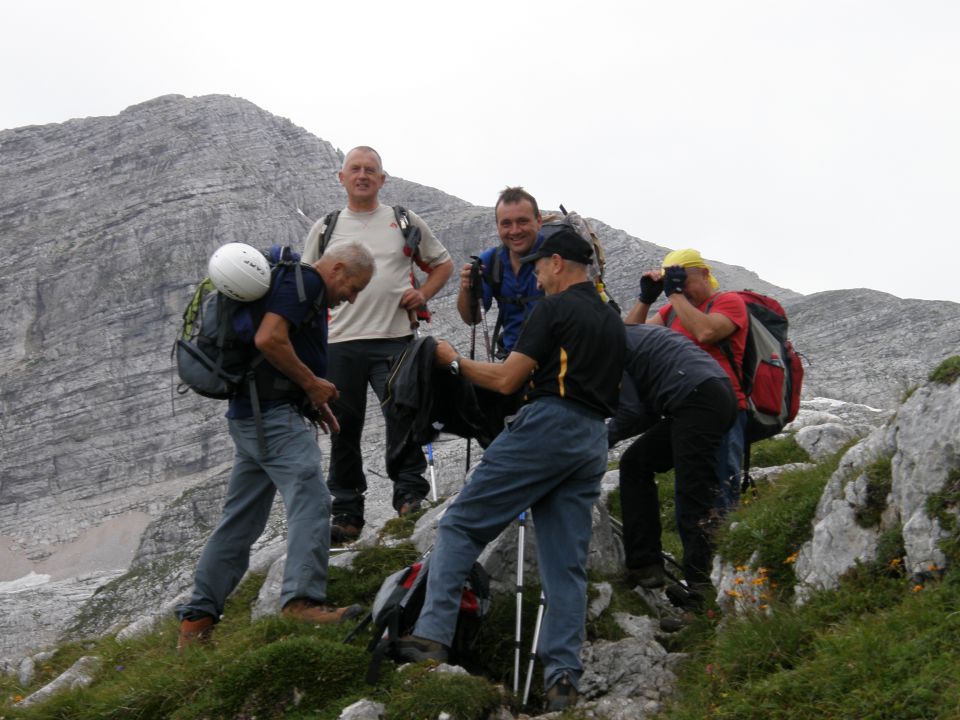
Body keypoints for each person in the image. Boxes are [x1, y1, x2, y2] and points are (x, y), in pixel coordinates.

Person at [394, 223, 626, 712]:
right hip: (591, 440)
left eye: (539, 266)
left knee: (460, 524)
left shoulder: (554, 308)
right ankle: (562, 675)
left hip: (548, 425)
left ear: (558, 263)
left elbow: (504, 380)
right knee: (565, 562)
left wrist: (452, 360)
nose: (536, 277)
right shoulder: (609, 316)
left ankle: (431, 637)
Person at [176, 242, 376, 649]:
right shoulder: (305, 283)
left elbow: (274, 351)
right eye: (354, 287)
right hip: (270, 420)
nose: (350, 298)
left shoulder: (299, 287)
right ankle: (302, 601)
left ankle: (196, 622)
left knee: (240, 521)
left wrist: (311, 400)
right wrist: (311, 383)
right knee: (313, 498)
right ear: (337, 269)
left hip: (252, 417)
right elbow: (270, 339)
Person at [302, 146, 454, 542]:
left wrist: (424, 296)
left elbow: (443, 263)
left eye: (371, 170)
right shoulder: (326, 228)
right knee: (342, 427)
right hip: (339, 342)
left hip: (395, 339)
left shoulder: (403, 221)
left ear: (382, 179)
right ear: (342, 177)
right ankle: (348, 512)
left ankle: (408, 497)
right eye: (356, 169)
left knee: (403, 419)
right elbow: (308, 280)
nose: (363, 175)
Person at [609, 323, 737, 598]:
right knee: (636, 462)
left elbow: (631, 413)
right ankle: (645, 565)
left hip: (696, 400)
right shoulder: (633, 334)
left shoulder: (608, 344)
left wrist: (597, 441)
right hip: (714, 394)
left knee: (694, 493)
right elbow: (645, 414)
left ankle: (701, 594)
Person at [624, 249, 748, 509]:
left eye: (684, 280)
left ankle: (722, 545)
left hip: (724, 408)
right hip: (684, 407)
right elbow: (629, 338)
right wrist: (646, 298)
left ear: (704, 274)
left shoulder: (728, 302)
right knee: (653, 470)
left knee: (717, 486)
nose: (682, 289)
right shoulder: (672, 310)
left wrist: (674, 294)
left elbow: (705, 332)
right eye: (674, 282)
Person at [455, 186, 544, 358]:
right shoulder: (491, 261)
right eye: (506, 224)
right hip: (512, 359)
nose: (515, 230)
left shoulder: (557, 256)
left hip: (557, 360)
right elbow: (472, 318)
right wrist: (466, 289)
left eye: (522, 221)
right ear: (497, 226)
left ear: (539, 220)